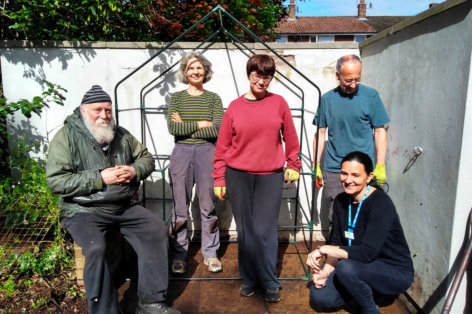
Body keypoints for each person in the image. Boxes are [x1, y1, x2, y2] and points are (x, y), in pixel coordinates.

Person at [46, 85, 179, 314]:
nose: (104, 116)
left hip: (123, 206)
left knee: (156, 230)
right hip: (82, 210)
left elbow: (146, 158)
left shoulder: (121, 134)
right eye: (98, 110)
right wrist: (99, 178)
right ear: (83, 110)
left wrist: (134, 170)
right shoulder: (66, 137)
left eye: (108, 110)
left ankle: (151, 303)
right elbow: (57, 182)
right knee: (95, 246)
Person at [212, 54, 302, 303]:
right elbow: (223, 146)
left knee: (264, 230)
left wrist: (293, 163)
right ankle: (249, 278)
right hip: (238, 176)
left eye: (267, 76)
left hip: (270, 177)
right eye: (257, 75)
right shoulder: (234, 107)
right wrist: (219, 177)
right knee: (246, 230)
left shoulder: (279, 103)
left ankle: (269, 280)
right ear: (249, 74)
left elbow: (291, 139)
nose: (262, 81)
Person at [306, 151, 414, 314]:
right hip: (358, 265)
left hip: (393, 270)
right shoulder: (341, 201)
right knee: (321, 297)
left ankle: (371, 309)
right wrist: (326, 271)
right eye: (344, 173)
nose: (348, 180)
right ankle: (363, 289)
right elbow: (336, 242)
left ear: (369, 177)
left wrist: (323, 249)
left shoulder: (380, 203)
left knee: (345, 268)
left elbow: (366, 253)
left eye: (355, 175)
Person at [313, 54, 390, 233]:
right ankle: (335, 258)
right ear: (337, 76)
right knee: (336, 215)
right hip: (335, 168)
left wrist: (380, 165)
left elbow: (380, 131)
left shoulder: (371, 96)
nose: (353, 84)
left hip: (363, 168)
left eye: (357, 79)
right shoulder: (326, 99)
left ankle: (362, 258)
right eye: (348, 80)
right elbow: (320, 132)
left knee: (365, 216)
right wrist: (316, 164)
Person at [167, 52, 224, 274]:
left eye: (199, 68)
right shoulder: (177, 98)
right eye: (191, 68)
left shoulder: (213, 98)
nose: (195, 72)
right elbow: (174, 129)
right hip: (180, 153)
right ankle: (180, 254)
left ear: (206, 71)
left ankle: (210, 253)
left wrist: (187, 124)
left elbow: (216, 130)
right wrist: (201, 123)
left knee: (208, 205)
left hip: (207, 153)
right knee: (180, 206)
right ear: (185, 72)